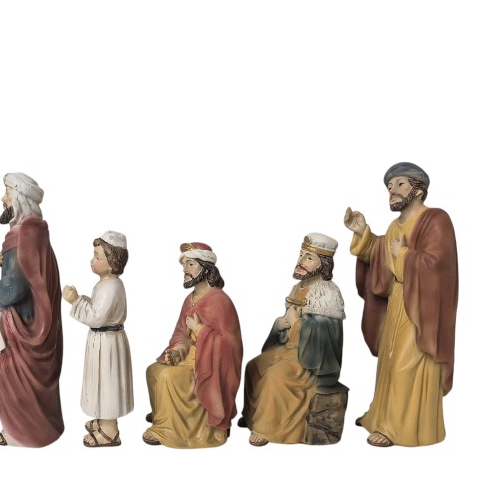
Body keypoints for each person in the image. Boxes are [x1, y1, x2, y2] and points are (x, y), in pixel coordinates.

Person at [344, 162, 458, 447]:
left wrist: (404, 255)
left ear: (418, 190)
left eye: (399, 184)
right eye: (389, 186)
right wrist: (362, 233)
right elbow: (381, 255)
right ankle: (381, 416)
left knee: (407, 364)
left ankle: (398, 428)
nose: (392, 191)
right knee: (390, 360)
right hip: (398, 300)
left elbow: (438, 265)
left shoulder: (436, 219)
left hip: (422, 308)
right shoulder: (395, 226)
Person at [241, 234, 346, 446]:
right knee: (253, 366)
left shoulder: (328, 293)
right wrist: (279, 325)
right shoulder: (297, 287)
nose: (301, 261)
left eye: (309, 258)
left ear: (323, 264)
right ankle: (253, 414)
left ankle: (266, 428)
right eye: (301, 255)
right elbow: (288, 320)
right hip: (288, 347)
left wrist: (297, 323)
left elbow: (326, 334)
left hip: (310, 358)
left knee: (275, 376)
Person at [0, 173, 64, 447]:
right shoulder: (38, 231)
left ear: (18, 198)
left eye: (7, 193)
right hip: (38, 321)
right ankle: (45, 428)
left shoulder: (19, 236)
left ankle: (19, 433)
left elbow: (14, 288)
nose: (3, 199)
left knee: (14, 380)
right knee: (32, 386)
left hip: (22, 327)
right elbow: (33, 273)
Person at [144, 242, 243, 448]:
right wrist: (178, 351)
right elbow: (181, 333)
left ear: (205, 268)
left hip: (207, 364)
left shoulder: (220, 300)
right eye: (184, 265)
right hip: (188, 357)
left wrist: (199, 330)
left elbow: (230, 344)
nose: (185, 270)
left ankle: (166, 429)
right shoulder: (189, 299)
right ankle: (163, 414)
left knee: (167, 377)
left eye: (190, 264)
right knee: (153, 371)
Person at [63, 231, 133, 447]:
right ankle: (103, 419)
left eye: (97, 257)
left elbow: (96, 317)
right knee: (100, 381)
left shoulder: (111, 287)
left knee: (107, 382)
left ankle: (110, 430)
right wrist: (82, 299)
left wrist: (75, 301)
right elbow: (97, 308)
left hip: (108, 343)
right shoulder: (106, 284)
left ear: (112, 263)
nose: (92, 261)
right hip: (103, 340)